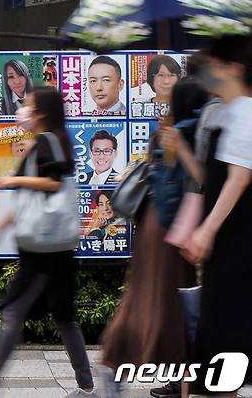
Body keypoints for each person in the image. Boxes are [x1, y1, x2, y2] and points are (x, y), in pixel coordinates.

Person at [0, 86, 95, 398]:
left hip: (43, 246)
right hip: (50, 244)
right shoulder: (46, 142)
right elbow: (29, 201)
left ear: (40, 112)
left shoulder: (48, 142)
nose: (21, 110)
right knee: (63, 316)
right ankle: (86, 387)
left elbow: (54, 183)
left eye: (28, 105)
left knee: (16, 311)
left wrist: (14, 179)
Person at [99, 77, 208, 398]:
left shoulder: (167, 127)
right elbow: (202, 181)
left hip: (152, 227)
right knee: (168, 308)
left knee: (146, 301)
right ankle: (124, 370)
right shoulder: (191, 130)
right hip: (174, 233)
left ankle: (138, 373)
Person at [183, 35, 252, 397]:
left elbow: (239, 178)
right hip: (228, 251)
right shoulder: (226, 111)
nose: (207, 71)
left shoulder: (244, 112)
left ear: (234, 69)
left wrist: (206, 231)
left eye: (214, 64)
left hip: (235, 249)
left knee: (224, 348)